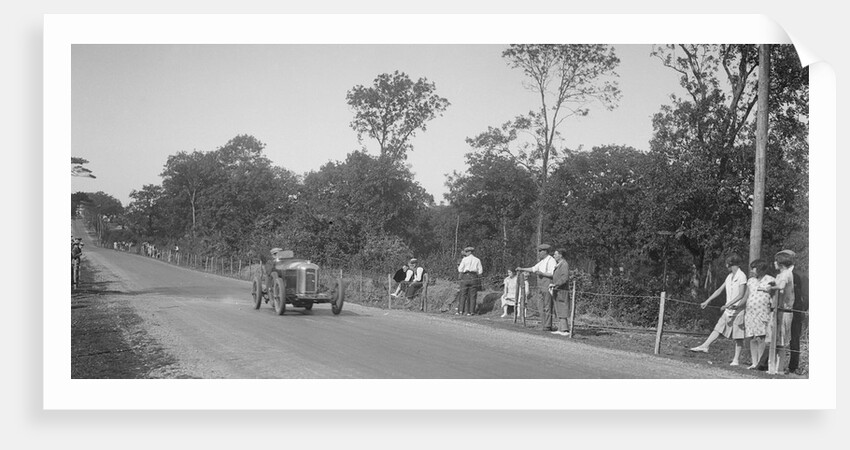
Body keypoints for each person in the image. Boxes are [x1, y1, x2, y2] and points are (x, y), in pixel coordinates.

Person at [690, 253, 748, 366]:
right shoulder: (729, 277)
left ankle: (736, 360)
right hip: (728, 310)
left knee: (738, 336)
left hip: (738, 311)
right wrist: (707, 301)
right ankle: (705, 346)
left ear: (730, 264)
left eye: (727, 264)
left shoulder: (742, 276)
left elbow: (741, 294)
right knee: (718, 328)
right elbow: (719, 290)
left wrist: (728, 304)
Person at [760, 251, 796, 374]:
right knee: (773, 340)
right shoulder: (780, 275)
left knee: (781, 341)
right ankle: (772, 367)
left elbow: (781, 287)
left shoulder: (786, 274)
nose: (774, 263)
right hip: (776, 310)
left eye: (776, 261)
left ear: (780, 263)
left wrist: (770, 288)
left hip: (784, 312)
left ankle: (779, 368)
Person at [778, 249, 809, 374]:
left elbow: (805, 295)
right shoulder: (781, 274)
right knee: (780, 337)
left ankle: (793, 366)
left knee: (794, 338)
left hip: (795, 311)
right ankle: (777, 365)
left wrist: (801, 309)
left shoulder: (800, 275)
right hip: (782, 310)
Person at [743, 258, 775, 369]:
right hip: (750, 312)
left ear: (760, 269)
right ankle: (754, 362)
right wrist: (737, 306)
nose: (752, 270)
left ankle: (761, 363)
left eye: (754, 268)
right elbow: (746, 296)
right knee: (752, 337)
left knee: (760, 337)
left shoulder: (770, 280)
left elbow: (774, 295)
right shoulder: (751, 280)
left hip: (762, 312)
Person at [517, 244, 557, 331]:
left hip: (547, 286)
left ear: (545, 251)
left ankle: (547, 326)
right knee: (540, 306)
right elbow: (533, 268)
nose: (539, 253)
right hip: (540, 286)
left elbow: (553, 274)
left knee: (547, 306)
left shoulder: (551, 261)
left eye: (540, 251)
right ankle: (543, 324)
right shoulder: (542, 261)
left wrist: (542, 274)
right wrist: (522, 269)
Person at [549, 248, 571, 336]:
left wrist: (555, 284)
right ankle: (561, 328)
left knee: (563, 308)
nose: (554, 256)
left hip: (562, 290)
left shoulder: (564, 265)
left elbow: (564, 278)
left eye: (555, 254)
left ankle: (565, 330)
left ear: (560, 255)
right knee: (558, 308)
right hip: (557, 290)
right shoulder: (559, 264)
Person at [457, 246, 483, 315]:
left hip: (465, 276)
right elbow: (480, 271)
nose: (466, 253)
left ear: (469, 252)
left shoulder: (464, 259)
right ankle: (471, 312)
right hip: (474, 277)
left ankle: (461, 311)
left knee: (463, 294)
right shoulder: (477, 260)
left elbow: (460, 269)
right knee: (473, 295)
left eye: (466, 252)